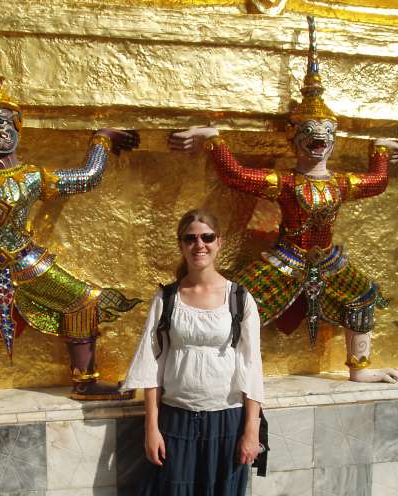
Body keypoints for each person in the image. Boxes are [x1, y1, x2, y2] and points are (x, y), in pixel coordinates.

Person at [0, 15, 140, 409]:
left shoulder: (35, 177)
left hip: (25, 259)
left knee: (83, 301)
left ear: (17, 127)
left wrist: (101, 141)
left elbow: (86, 178)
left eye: (0, 121)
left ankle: (85, 381)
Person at [169, 17, 398, 383]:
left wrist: (381, 152)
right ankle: (230, 369)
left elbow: (377, 183)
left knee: (364, 296)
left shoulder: (341, 183)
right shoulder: (286, 183)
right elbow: (235, 175)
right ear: (295, 138)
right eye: (309, 132)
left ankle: (359, 369)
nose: (318, 139)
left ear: (334, 139)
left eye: (325, 133)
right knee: (238, 301)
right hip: (286, 258)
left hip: (328, 260)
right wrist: (214, 139)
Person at [105, 209, 264, 496]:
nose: (200, 245)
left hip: (226, 420)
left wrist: (251, 431)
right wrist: (151, 427)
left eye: (207, 237)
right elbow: (150, 366)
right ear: (181, 244)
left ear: (219, 242)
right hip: (175, 419)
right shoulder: (168, 298)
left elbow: (252, 367)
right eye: (191, 238)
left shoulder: (240, 298)